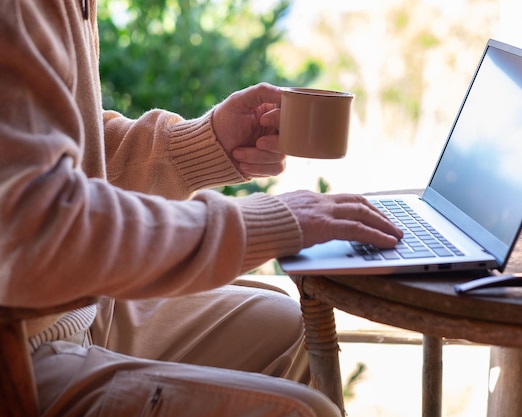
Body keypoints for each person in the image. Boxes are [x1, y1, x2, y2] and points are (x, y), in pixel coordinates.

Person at [0, 1, 403, 416]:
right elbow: (41, 226)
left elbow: (60, 148)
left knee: (286, 326)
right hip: (20, 344)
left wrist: (195, 146)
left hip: (76, 308)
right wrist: (262, 222)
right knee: (299, 410)